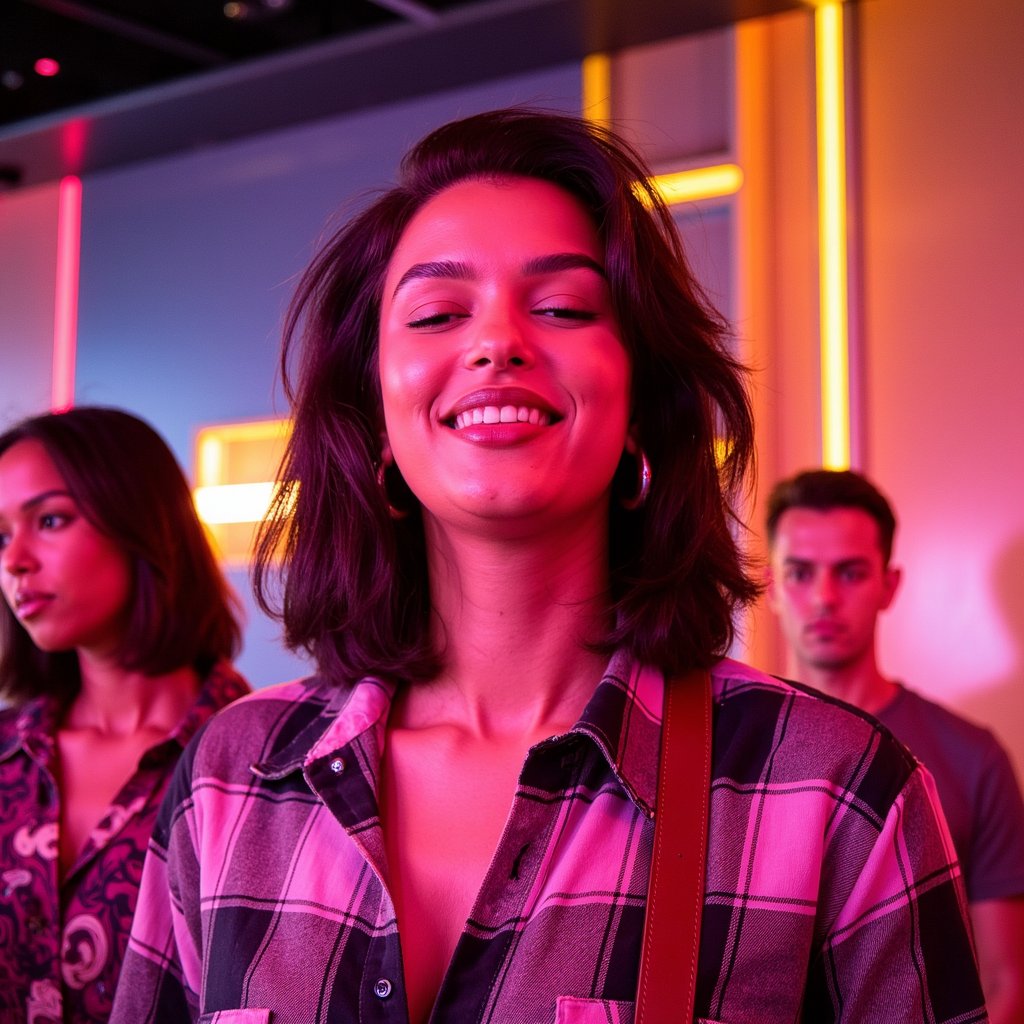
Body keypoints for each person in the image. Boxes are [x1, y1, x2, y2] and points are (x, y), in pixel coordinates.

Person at [113, 109, 986, 1023]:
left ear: (643, 398)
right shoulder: (233, 778)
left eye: (564, 308)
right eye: (439, 313)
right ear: (374, 409)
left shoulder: (835, 791)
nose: (498, 344)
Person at [0, 406, 250, 1024]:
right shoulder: (6, 755)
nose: (15, 561)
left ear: (142, 524)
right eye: (0, 536)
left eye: (49, 520)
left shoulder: (263, 766)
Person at [765, 468, 1024, 1023]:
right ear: (771, 587)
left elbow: (1004, 980)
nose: (825, 598)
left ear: (890, 584)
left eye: (851, 573)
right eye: (801, 573)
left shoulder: (972, 758)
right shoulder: (726, 752)